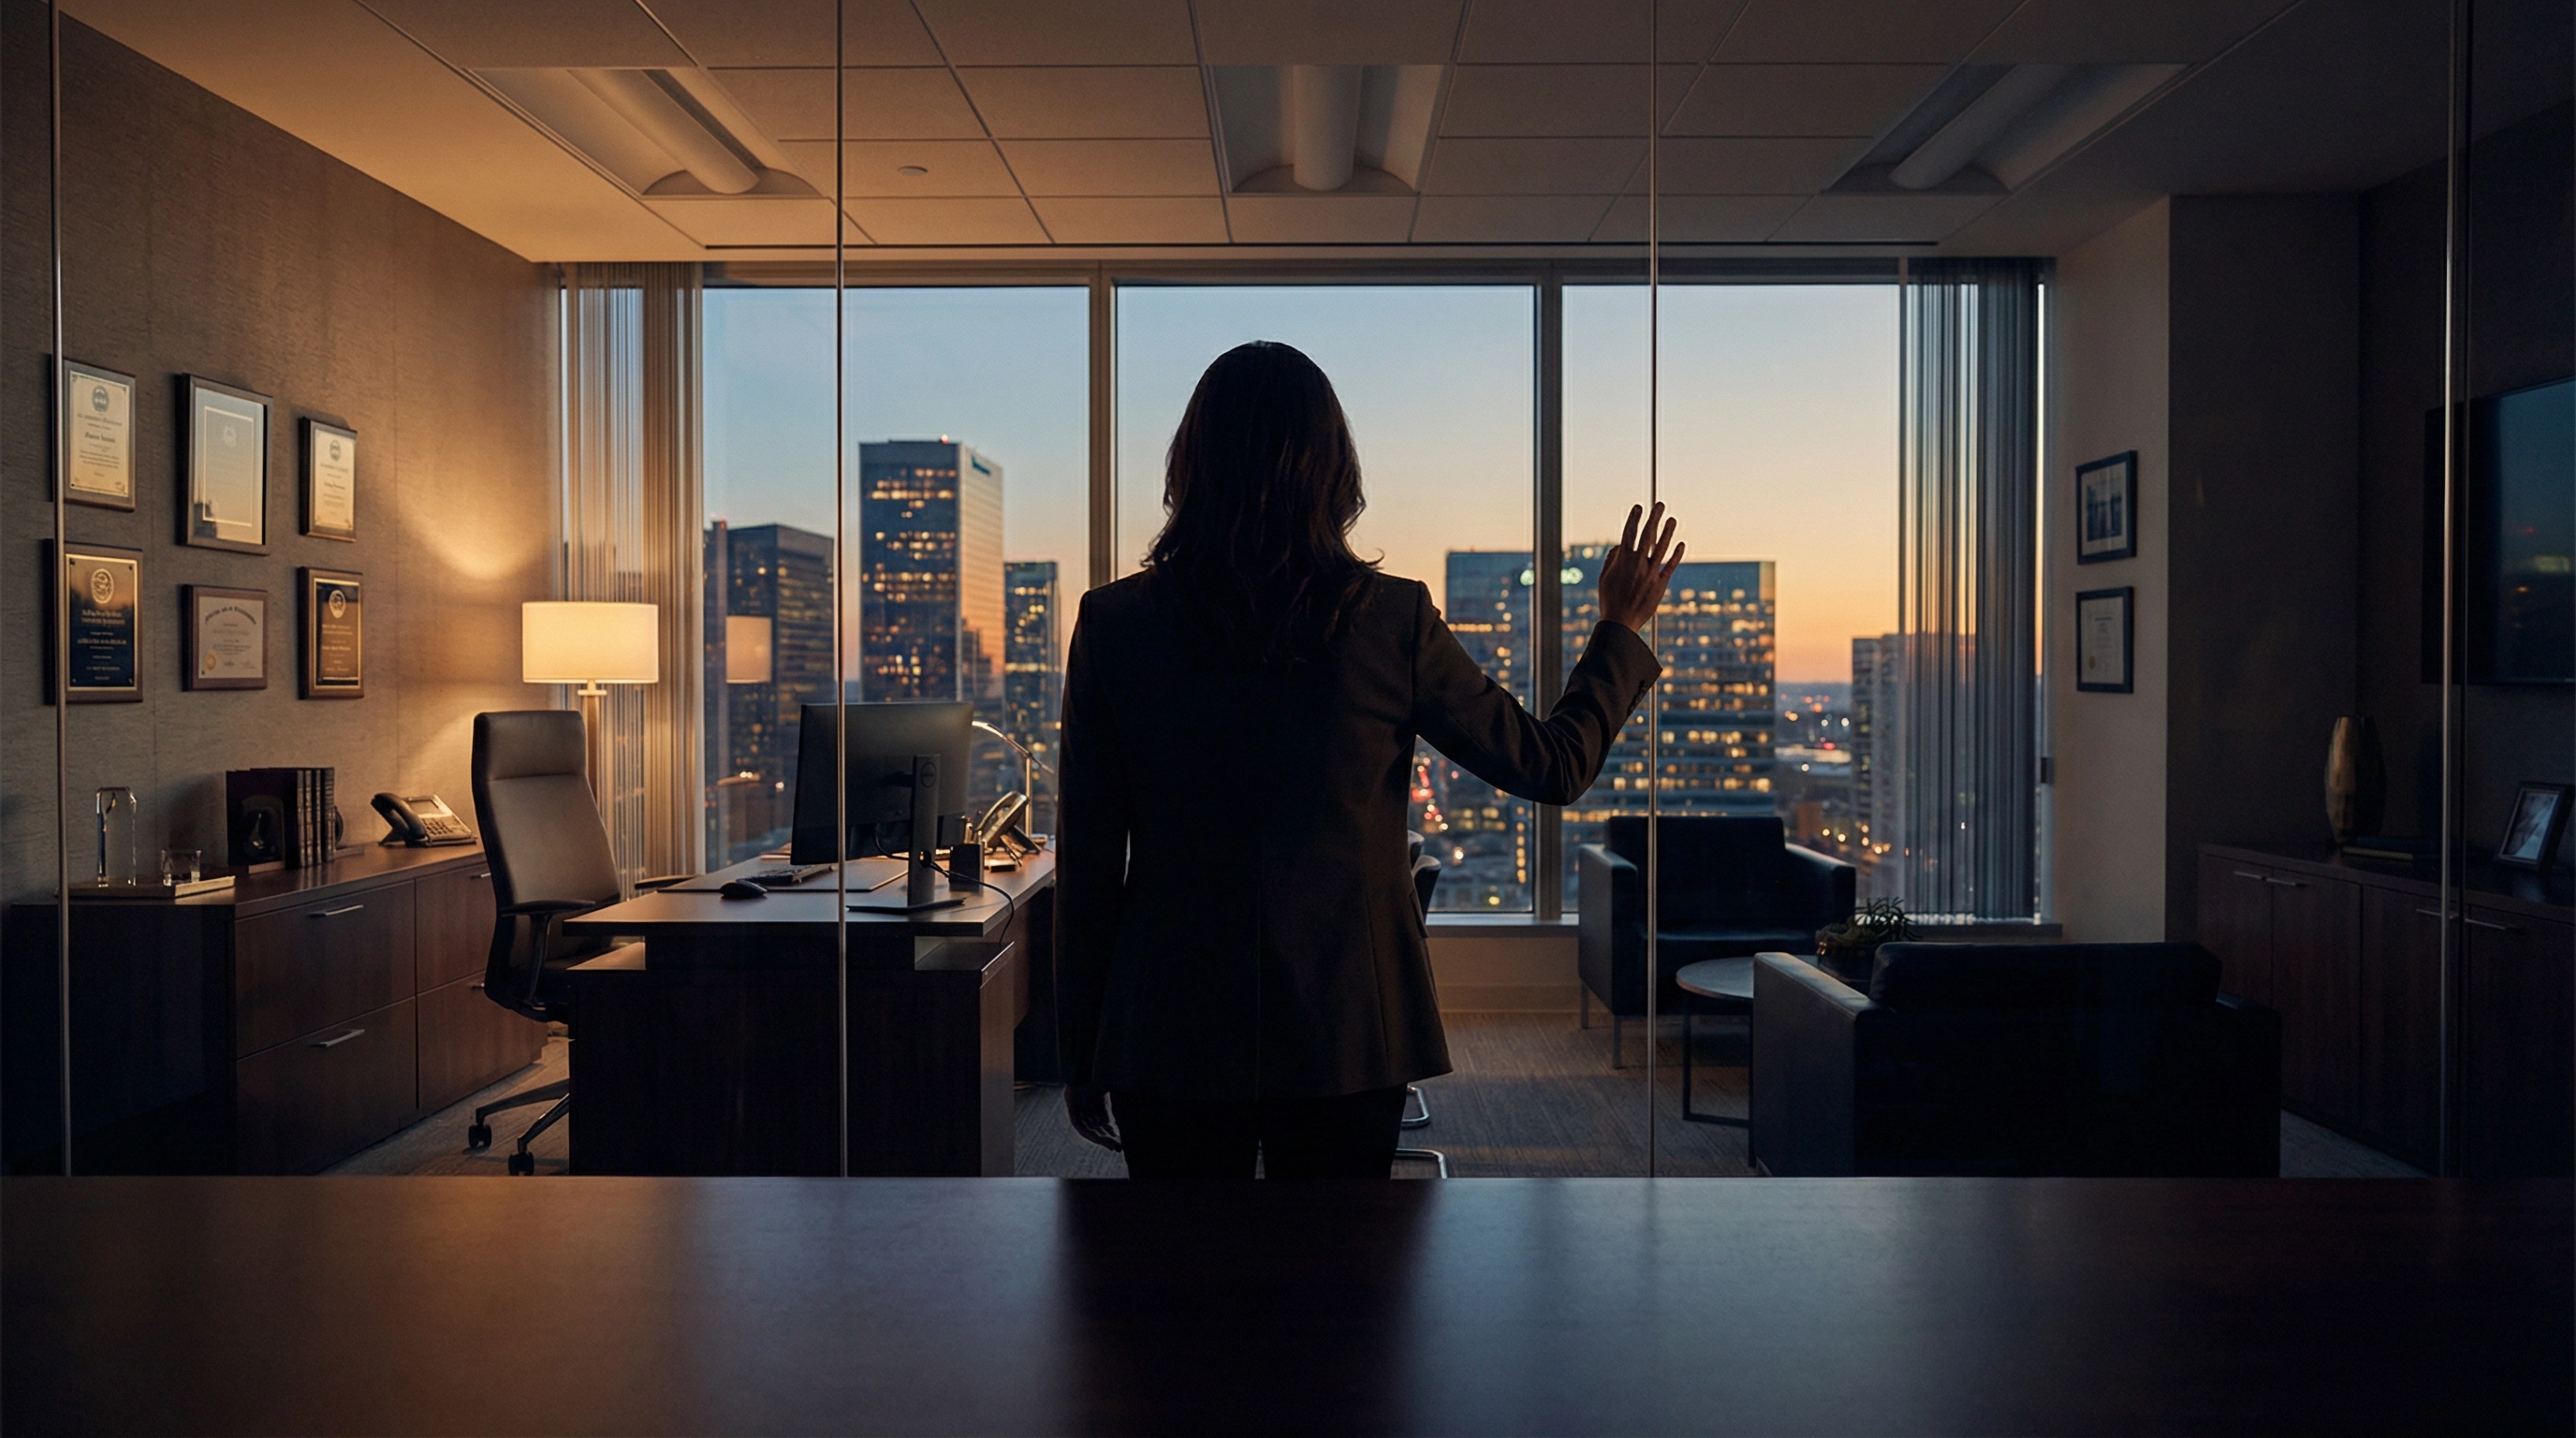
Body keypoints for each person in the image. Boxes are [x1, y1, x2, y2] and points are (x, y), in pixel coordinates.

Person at [1054, 340, 1682, 1179]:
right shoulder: (1391, 623)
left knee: (1181, 1294)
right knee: (1344, 1294)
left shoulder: (1113, 625)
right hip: (1347, 1028)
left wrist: (1082, 1045)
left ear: (1189, 463)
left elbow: (1090, 864)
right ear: (1333, 468)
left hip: (1168, 1026)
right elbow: (1552, 765)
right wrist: (1619, 630)